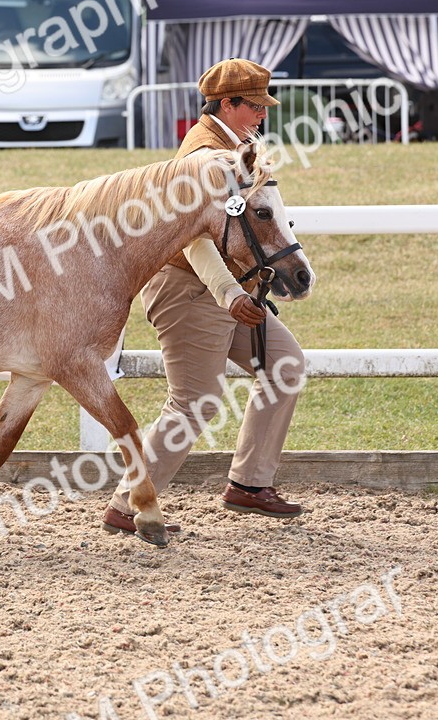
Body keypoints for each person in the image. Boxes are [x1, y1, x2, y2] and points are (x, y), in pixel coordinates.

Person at [103, 58, 307, 536]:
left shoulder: (241, 145)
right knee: (194, 402)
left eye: (263, 105)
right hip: (192, 289)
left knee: (285, 365)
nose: (262, 113)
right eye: (254, 105)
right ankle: (128, 505)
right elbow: (193, 237)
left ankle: (250, 484)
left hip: (233, 288)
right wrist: (228, 291)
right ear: (226, 104)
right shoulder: (201, 153)